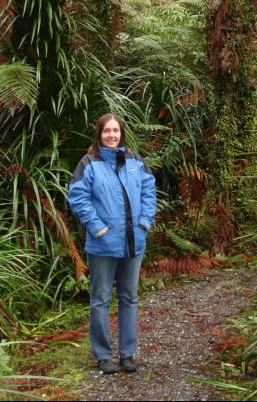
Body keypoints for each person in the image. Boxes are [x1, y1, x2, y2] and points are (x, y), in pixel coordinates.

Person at [67, 113, 157, 374]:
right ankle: (103, 356)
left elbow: (149, 191)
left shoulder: (135, 161)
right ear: (99, 134)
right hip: (103, 243)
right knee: (101, 299)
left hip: (134, 242)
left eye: (116, 131)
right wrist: (98, 228)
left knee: (129, 298)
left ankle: (127, 355)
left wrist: (144, 223)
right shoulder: (89, 163)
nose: (112, 135)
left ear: (122, 134)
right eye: (107, 131)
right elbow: (78, 198)